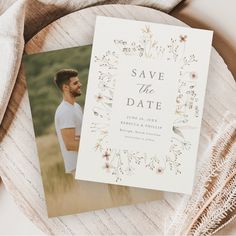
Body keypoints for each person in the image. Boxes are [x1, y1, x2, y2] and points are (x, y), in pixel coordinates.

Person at [54, 69, 83, 174]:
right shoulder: (64, 111)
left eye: (78, 82)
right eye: (75, 83)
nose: (80, 84)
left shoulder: (76, 107)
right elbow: (70, 144)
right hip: (77, 166)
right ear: (65, 87)